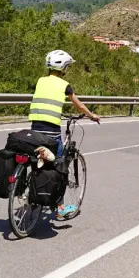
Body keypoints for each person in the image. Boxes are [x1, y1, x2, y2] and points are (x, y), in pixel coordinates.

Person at [29, 49, 100, 219]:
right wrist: (92, 115)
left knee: (38, 159)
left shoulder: (40, 80)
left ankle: (32, 192)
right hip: (51, 130)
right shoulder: (64, 85)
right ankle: (60, 207)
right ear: (64, 67)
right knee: (59, 165)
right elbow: (79, 106)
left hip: (34, 128)